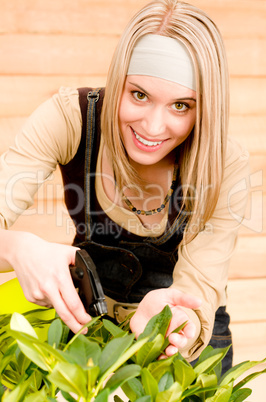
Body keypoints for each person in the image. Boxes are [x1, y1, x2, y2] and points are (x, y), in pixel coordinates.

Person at [0, 0, 249, 372]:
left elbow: (200, 284)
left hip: (180, 348)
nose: (152, 127)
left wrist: (179, 322)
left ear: (205, 108)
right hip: (88, 326)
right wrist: (16, 247)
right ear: (118, 80)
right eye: (139, 95)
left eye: (181, 105)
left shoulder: (225, 161)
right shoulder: (72, 118)